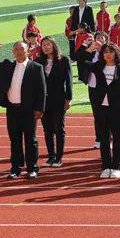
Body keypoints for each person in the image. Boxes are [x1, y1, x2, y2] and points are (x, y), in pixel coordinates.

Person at [0, 41, 46, 179]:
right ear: (12, 52)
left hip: (29, 110)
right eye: (15, 49)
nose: (18, 51)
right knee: (15, 140)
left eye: (21, 49)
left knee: (30, 140)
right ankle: (15, 168)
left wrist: (39, 109)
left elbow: (42, 90)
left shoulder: (36, 67)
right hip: (12, 109)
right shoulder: (7, 66)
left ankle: (32, 168)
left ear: (28, 50)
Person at [86, 42, 120, 179]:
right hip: (100, 108)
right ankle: (106, 166)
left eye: (111, 51)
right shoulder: (97, 67)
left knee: (117, 138)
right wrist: (89, 48)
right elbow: (82, 61)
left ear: (116, 53)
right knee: (104, 139)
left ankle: (117, 166)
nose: (108, 54)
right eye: (105, 51)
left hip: (117, 108)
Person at [34, 37, 72, 168]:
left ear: (53, 45)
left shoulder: (63, 60)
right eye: (43, 45)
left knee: (59, 129)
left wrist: (68, 98)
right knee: (47, 130)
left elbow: (69, 80)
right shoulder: (38, 61)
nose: (45, 47)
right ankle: (51, 156)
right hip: (43, 101)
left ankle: (59, 158)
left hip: (59, 100)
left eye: (48, 45)